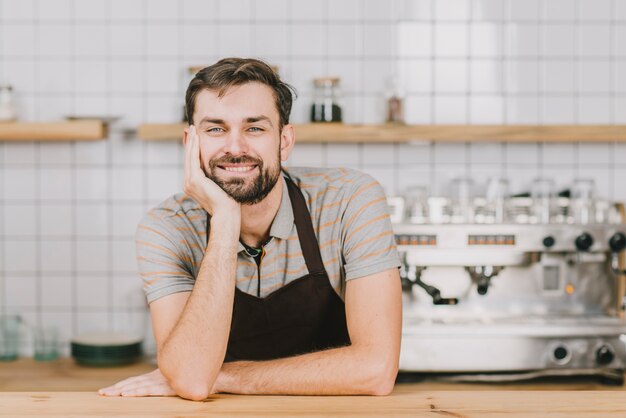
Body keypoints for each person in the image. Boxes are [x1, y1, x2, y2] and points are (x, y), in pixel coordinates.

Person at [99, 58, 402, 400]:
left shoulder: (351, 199)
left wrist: (226, 377)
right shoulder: (167, 229)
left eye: (254, 128)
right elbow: (193, 381)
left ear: (284, 141)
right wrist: (226, 220)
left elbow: (376, 371)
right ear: (190, 142)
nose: (235, 148)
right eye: (215, 129)